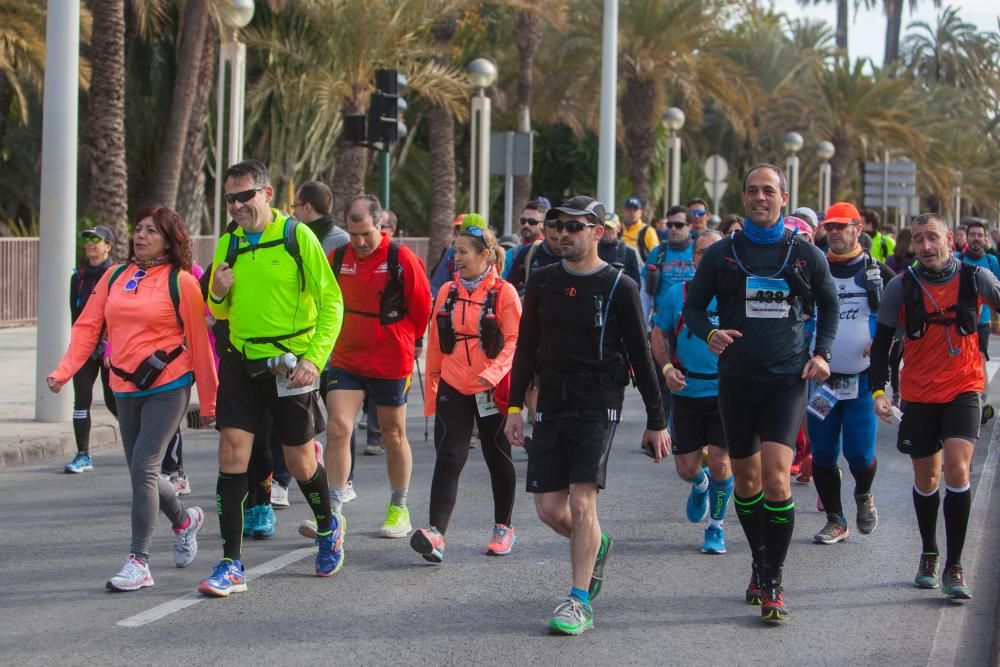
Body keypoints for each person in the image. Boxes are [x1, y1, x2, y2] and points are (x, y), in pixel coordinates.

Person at [505, 195, 670, 636]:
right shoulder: (541, 280)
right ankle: (597, 545)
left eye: (575, 227)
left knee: (582, 500)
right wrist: (514, 407)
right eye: (557, 225)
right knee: (548, 510)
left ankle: (578, 600)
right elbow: (526, 347)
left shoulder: (620, 286)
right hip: (552, 399)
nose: (562, 233)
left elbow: (641, 355)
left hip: (599, 399)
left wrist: (657, 420)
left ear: (598, 232)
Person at [682, 164, 839, 623]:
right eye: (752, 190)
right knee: (746, 483)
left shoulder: (807, 254)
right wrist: (709, 331)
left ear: (784, 197)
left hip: (787, 380)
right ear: (743, 196)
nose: (759, 198)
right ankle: (758, 560)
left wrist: (823, 353)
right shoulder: (723, 253)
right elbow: (693, 308)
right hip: (735, 381)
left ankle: (774, 579)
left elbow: (829, 307)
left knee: (776, 478)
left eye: (768, 191)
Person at [48, 206, 217, 591]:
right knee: (143, 473)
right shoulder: (114, 276)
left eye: (151, 231)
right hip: (124, 385)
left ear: (169, 239)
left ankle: (139, 562)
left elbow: (199, 342)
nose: (140, 236)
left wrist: (209, 401)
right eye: (138, 229)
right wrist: (64, 371)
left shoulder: (182, 282)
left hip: (169, 384)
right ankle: (184, 520)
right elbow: (88, 326)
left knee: (144, 469)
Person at [200, 159, 345, 596]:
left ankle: (328, 526)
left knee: (300, 461)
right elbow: (218, 310)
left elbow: (332, 304)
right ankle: (231, 563)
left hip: (290, 364)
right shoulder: (229, 242)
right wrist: (218, 291)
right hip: (242, 362)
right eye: (231, 198)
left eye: (245, 195)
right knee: (232, 454)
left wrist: (314, 361)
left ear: (267, 194)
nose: (238, 205)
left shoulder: (295, 236)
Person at [869, 213, 1000, 601]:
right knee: (927, 479)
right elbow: (881, 345)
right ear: (912, 245)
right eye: (919, 240)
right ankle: (929, 552)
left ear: (949, 240)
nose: (926, 247)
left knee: (958, 469)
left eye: (933, 238)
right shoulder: (900, 286)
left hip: (964, 388)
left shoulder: (976, 278)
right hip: (919, 393)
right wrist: (879, 391)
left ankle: (954, 565)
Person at [322, 194, 432, 539]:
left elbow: (421, 307)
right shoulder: (337, 257)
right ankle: (333, 511)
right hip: (346, 357)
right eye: (353, 234)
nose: (360, 242)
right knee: (338, 427)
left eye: (366, 233)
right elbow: (324, 299)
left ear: (380, 226)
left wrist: (405, 339)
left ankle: (399, 507)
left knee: (393, 433)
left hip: (390, 358)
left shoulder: (401, 258)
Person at [411, 221, 521, 563]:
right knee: (449, 456)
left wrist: (494, 373)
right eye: (454, 251)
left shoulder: (504, 292)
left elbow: (516, 341)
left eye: (462, 252)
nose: (455, 258)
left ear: (485, 256)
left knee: (496, 454)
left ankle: (503, 527)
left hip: (491, 386)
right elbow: (435, 345)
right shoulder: (446, 291)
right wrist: (432, 390)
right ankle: (436, 534)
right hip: (454, 383)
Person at [807, 202, 894, 546]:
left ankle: (864, 494)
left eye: (842, 226)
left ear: (859, 229)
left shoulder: (877, 272)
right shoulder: (815, 268)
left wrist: (885, 340)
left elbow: (901, 316)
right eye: (829, 227)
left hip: (859, 382)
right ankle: (835, 519)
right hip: (822, 384)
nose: (834, 233)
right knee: (823, 454)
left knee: (859, 455)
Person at [650, 230, 734, 554]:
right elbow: (659, 334)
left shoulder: (735, 296)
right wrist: (667, 369)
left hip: (725, 392)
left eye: (712, 250)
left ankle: (716, 527)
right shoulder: (677, 293)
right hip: (686, 390)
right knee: (686, 467)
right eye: (700, 252)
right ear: (693, 259)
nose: (705, 256)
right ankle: (700, 486)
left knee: (720, 462)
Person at [65, 225, 118, 473]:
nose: (90, 243)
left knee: (114, 401)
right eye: (87, 238)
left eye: (96, 239)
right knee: (81, 401)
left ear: (108, 245)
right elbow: (75, 315)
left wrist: (112, 345)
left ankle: (142, 446)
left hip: (111, 349)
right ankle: (82, 455)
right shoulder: (79, 277)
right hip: (85, 347)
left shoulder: (117, 274)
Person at [957, 220, 1000, 368]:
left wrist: (997, 321)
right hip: (960, 320)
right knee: (961, 360)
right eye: (973, 234)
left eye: (980, 235)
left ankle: (980, 391)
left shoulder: (991, 260)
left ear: (985, 238)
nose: (976, 238)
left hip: (983, 322)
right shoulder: (958, 259)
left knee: (980, 359)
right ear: (967, 237)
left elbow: (997, 292)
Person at [294, 181, 350, 254]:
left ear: (307, 207)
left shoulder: (343, 243)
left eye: (294, 206)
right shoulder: (295, 237)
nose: (293, 212)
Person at [597, 213, 641, 285]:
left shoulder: (630, 252)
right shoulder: (592, 250)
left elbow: (637, 284)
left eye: (610, 227)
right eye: (604, 228)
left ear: (618, 228)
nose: (606, 231)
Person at [620, 197, 659, 262]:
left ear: (641, 213)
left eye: (635, 210)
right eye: (629, 209)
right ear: (624, 212)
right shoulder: (618, 229)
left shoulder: (648, 231)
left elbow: (656, 255)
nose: (632, 212)